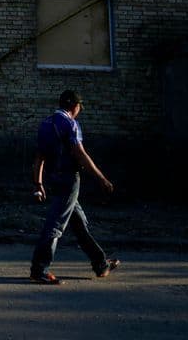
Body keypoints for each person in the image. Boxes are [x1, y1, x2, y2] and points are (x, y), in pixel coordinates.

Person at [29, 89, 120, 285]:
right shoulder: (70, 124)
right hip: (69, 180)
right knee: (55, 225)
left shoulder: (46, 124)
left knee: (78, 223)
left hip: (54, 179)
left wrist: (38, 183)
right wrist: (101, 178)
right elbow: (80, 154)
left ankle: (100, 263)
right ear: (74, 106)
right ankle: (39, 269)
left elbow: (39, 158)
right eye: (79, 107)